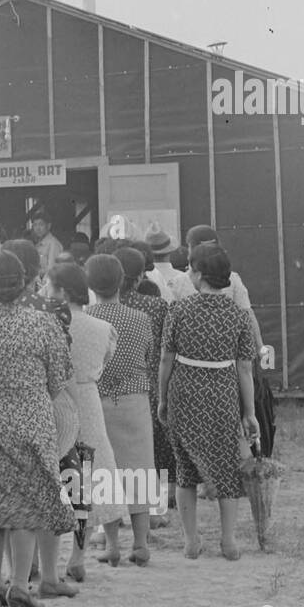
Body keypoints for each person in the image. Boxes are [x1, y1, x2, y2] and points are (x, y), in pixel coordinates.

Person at [0, 251, 77, 607]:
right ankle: (20, 585)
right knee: (28, 508)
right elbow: (58, 378)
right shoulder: (43, 324)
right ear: (24, 282)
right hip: (33, 421)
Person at [158, 244, 259, 561]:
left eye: (190, 267)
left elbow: (166, 360)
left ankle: (191, 542)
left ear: (199, 274)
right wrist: (250, 412)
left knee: (185, 466)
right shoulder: (238, 316)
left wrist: (163, 398)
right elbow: (244, 368)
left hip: (184, 390)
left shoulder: (179, 310)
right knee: (227, 467)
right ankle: (228, 542)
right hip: (222, 393)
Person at [47, 262, 127, 577]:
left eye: (51, 287)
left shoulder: (50, 325)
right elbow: (105, 362)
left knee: (61, 476)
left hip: (58, 401)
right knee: (96, 472)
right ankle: (85, 553)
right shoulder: (102, 328)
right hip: (89, 398)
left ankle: (49, 561)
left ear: (62, 291)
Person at [178, 225, 275, 455]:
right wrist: (260, 348)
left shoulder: (182, 281)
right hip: (228, 365)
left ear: (191, 248)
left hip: (191, 368)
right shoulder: (233, 279)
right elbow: (248, 315)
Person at [86, 255, 156, 565]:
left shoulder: (88, 318)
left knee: (105, 473)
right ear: (122, 281)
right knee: (139, 468)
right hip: (134, 399)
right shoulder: (140, 318)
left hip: (97, 400)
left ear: (90, 284)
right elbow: (149, 354)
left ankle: (111, 543)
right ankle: (140, 543)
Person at [117, 246, 175, 506]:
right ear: (141, 277)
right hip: (149, 384)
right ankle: (162, 499)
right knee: (156, 444)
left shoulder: (96, 310)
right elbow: (166, 350)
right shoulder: (157, 306)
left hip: (111, 388)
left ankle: (117, 501)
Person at [29, 213, 63, 279]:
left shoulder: (53, 244)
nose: (37, 228)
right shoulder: (37, 244)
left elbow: (52, 271)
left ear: (49, 226)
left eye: (41, 224)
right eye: (35, 225)